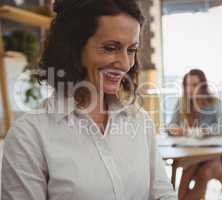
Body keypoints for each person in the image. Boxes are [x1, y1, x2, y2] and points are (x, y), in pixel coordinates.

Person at [1, 1, 177, 200]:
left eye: (131, 50)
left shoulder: (139, 120)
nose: (125, 64)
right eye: (111, 48)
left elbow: (162, 194)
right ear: (73, 47)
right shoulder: (28, 137)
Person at [168, 69, 222, 200]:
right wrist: (175, 129)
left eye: (195, 84)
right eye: (187, 85)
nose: (191, 89)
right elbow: (170, 126)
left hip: (217, 156)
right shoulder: (182, 103)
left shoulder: (215, 103)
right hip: (193, 155)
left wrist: (198, 131)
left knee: (204, 173)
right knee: (187, 173)